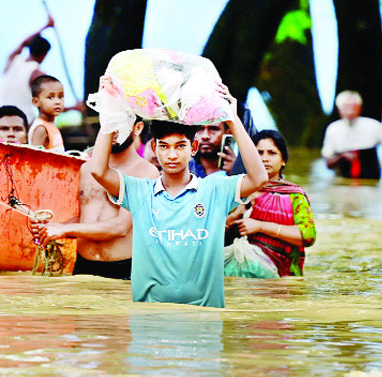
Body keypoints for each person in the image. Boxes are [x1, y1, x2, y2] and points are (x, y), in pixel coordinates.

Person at [89, 77, 268, 307]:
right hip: (150, 322)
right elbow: (99, 171)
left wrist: (232, 120)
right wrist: (109, 111)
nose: (172, 155)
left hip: (204, 320)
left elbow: (259, 178)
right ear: (154, 148)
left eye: (180, 146)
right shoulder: (140, 192)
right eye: (164, 146)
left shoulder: (214, 189)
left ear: (193, 148)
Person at [30, 118, 160, 280]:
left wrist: (65, 229)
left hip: (122, 268)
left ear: (138, 128)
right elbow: (85, 219)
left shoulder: (146, 173)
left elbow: (120, 227)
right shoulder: (86, 168)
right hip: (84, 265)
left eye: (120, 124)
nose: (113, 131)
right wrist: (52, 228)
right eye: (108, 124)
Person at [226, 130, 316, 276]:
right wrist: (236, 215)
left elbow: (307, 236)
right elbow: (209, 235)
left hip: (282, 280)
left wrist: (260, 226)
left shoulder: (294, 195)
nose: (265, 158)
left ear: (283, 160)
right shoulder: (236, 191)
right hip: (240, 275)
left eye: (272, 153)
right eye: (259, 153)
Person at [321, 90, 382, 179]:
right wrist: (342, 156)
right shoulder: (333, 129)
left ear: (359, 108)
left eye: (353, 107)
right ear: (339, 109)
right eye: (346, 107)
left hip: (371, 177)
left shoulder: (374, 126)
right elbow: (328, 164)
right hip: (344, 179)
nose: (350, 111)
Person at [0, 16, 54, 123]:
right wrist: (75, 108)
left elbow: (24, 43)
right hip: (21, 123)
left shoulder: (12, 61)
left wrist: (45, 27)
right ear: (44, 55)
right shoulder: (37, 74)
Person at [28, 75, 65, 152]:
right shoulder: (41, 128)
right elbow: (35, 158)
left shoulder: (50, 125)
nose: (57, 102)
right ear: (36, 102)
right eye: (50, 97)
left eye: (60, 96)